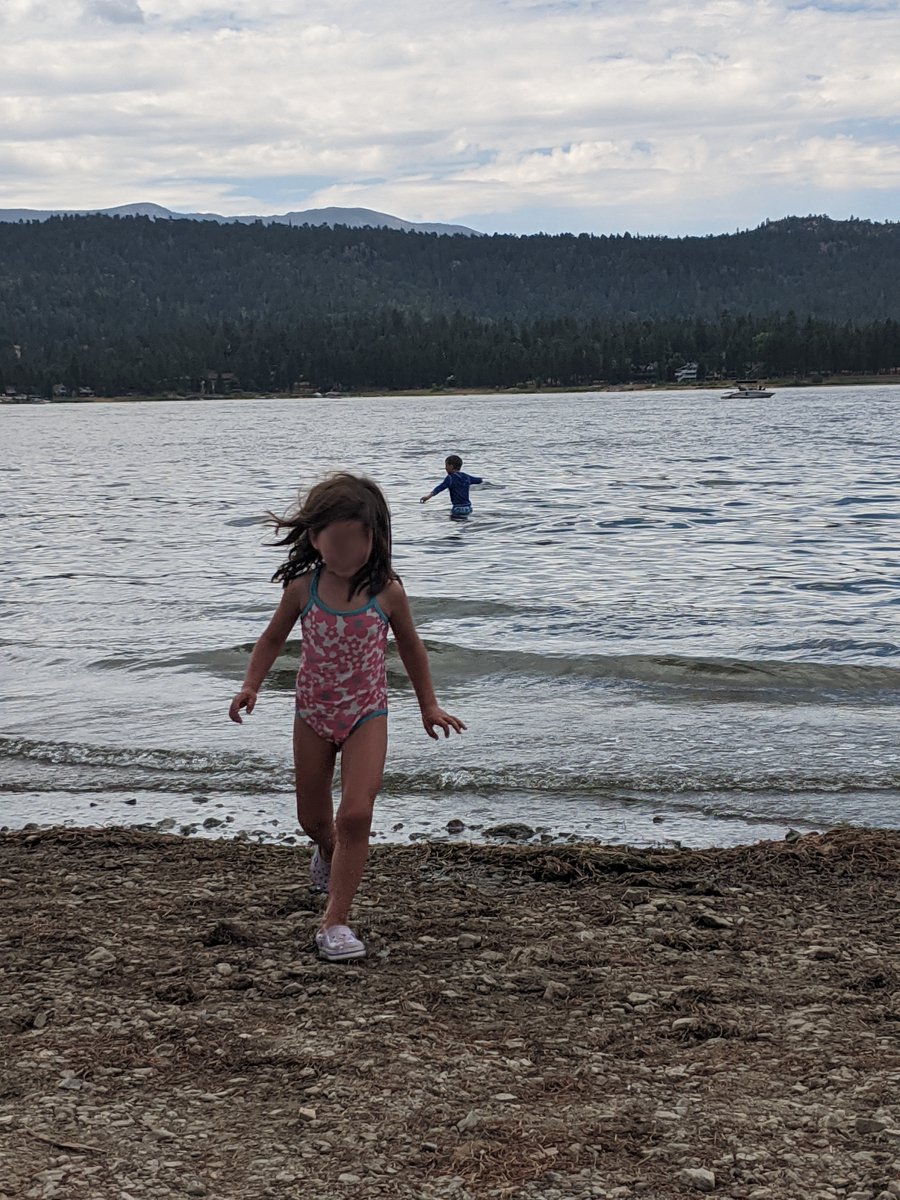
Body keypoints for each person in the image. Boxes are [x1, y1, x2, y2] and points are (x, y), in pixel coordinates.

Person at [228, 472, 465, 963]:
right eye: (335, 547)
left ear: (375, 539)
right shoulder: (302, 587)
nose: (346, 558)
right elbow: (272, 639)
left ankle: (334, 922)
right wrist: (251, 684)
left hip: (367, 714)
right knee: (313, 819)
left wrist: (429, 704)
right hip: (312, 713)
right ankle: (327, 849)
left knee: (356, 813)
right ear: (315, 538)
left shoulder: (388, 591)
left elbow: (412, 648)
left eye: (356, 546)